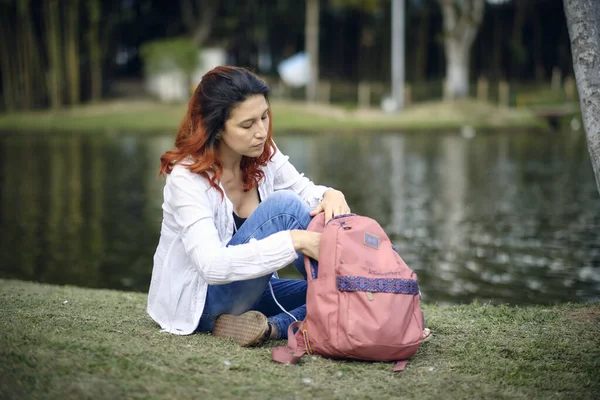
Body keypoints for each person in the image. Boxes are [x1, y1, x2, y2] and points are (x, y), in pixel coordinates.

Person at [147, 66, 351, 346]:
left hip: (253, 291)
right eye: (247, 125)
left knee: (327, 292)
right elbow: (211, 266)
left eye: (264, 117)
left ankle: (272, 328)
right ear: (216, 128)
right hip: (201, 302)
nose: (261, 132)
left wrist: (330, 194)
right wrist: (294, 241)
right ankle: (373, 301)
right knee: (283, 208)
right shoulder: (186, 178)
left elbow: (306, 193)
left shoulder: (263, 153)